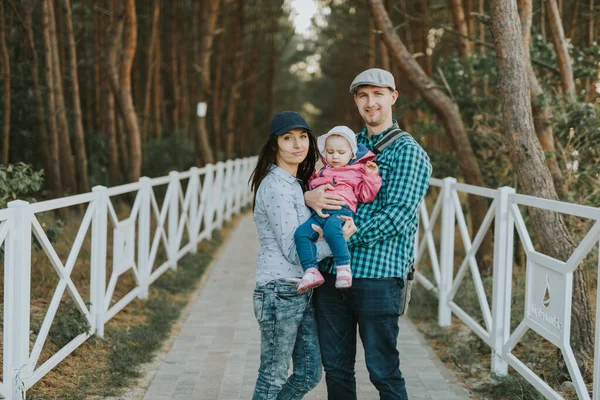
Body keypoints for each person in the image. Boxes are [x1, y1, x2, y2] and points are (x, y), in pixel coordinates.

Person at [305, 68, 432, 399]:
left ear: (392, 97)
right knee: (336, 368)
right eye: (363, 95)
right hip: (333, 273)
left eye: (378, 94)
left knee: (383, 371)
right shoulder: (346, 145)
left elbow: (398, 216)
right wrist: (310, 197)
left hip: (379, 274)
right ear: (357, 101)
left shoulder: (408, 151)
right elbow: (316, 185)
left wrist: (348, 234)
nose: (370, 102)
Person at [249, 111, 357, 399]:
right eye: (288, 138)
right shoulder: (275, 186)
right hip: (278, 290)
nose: (297, 145)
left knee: (309, 373)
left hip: (301, 288)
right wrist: (340, 242)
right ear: (275, 145)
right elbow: (291, 248)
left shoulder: (297, 184)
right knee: (272, 376)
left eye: (302, 137)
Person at [294, 125, 382, 293]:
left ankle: (343, 266)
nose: (335, 157)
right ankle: (311, 270)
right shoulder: (322, 172)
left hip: (341, 211)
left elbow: (366, 195)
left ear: (352, 154)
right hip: (319, 214)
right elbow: (311, 186)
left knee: (332, 230)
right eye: (330, 152)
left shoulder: (356, 172)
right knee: (301, 234)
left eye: (341, 153)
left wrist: (371, 176)